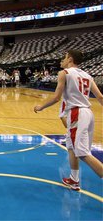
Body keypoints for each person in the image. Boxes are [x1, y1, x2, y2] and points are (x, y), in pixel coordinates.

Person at [34, 50, 103, 191]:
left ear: (70, 59)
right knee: (71, 147)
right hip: (88, 113)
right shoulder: (88, 76)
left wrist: (41, 107)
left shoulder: (64, 73)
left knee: (82, 152)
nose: (62, 60)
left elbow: (56, 97)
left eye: (64, 58)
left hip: (76, 112)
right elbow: (100, 97)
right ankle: (74, 180)